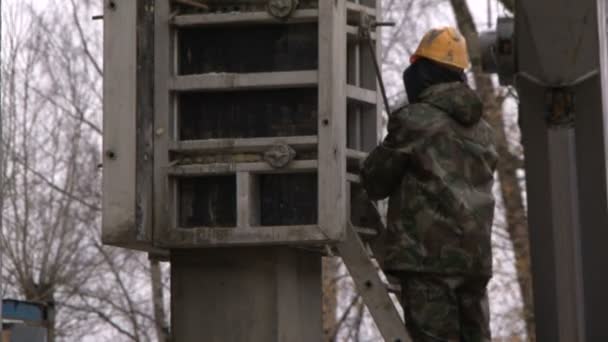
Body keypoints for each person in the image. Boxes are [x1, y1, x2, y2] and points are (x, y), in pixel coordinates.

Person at [361, 27, 498, 342]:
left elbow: (376, 182)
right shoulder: (485, 131)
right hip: (474, 265)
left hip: (427, 264)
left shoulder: (414, 121)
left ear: (422, 71)